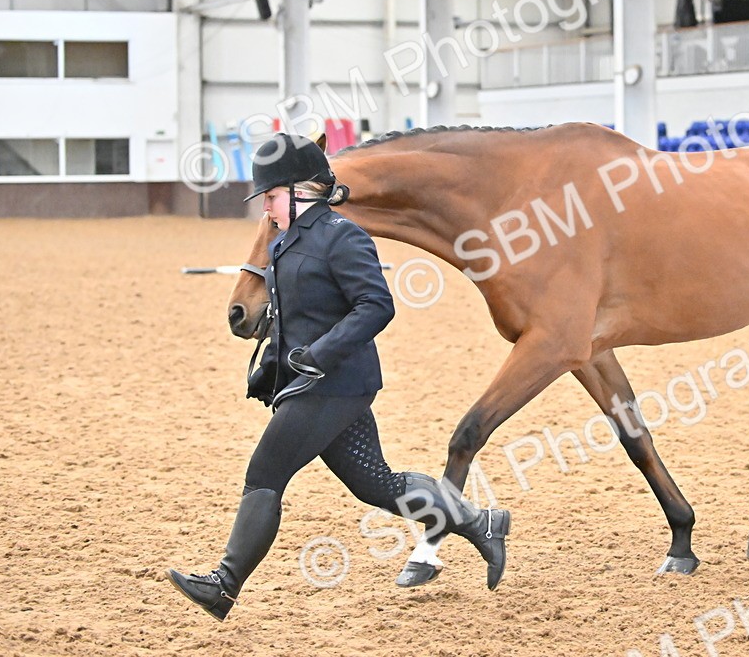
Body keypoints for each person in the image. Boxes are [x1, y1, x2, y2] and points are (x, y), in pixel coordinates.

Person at [168, 132, 510, 622]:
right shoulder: (288, 240)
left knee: (264, 474)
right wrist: (273, 363)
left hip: (336, 383)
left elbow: (376, 306)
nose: (265, 206)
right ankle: (482, 523)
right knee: (376, 483)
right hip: (315, 382)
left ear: (300, 191)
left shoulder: (343, 236)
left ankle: (224, 585)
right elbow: (298, 309)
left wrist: (320, 353)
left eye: (270, 196)